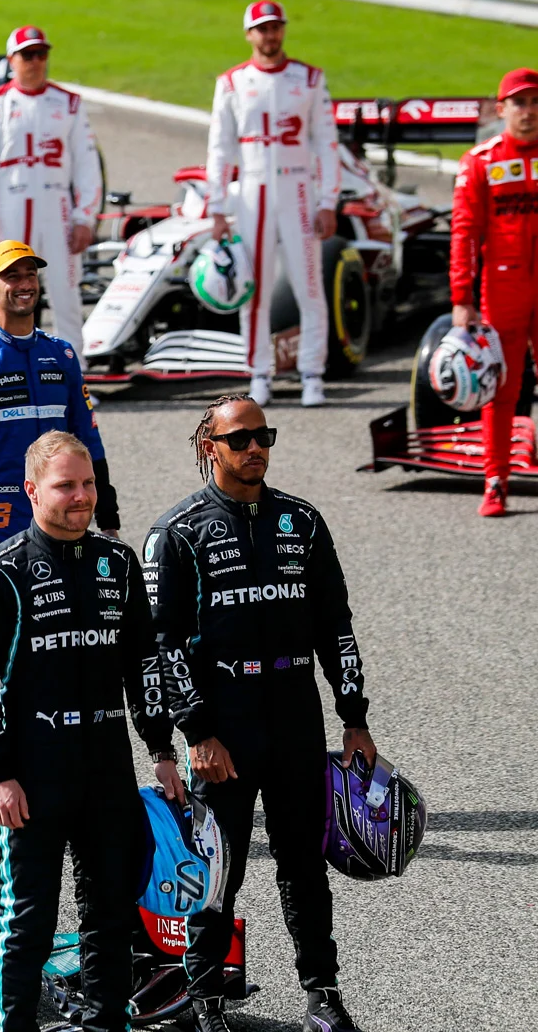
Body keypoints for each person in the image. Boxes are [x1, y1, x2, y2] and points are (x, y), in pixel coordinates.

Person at [144, 395, 376, 1032]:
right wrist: (196, 732)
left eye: (264, 436)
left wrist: (354, 717)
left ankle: (322, 993)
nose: (255, 449)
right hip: (225, 719)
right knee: (221, 869)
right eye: (240, 439)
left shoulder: (302, 522)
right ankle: (205, 999)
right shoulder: (177, 533)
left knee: (305, 863)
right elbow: (162, 645)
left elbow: (336, 625)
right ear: (209, 447)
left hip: (296, 709)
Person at [0, 431, 175, 1032]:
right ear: (31, 491)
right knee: (28, 922)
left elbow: (143, 664)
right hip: (34, 772)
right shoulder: (0, 571)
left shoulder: (118, 562)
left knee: (111, 915)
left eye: (88, 485)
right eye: (66, 486)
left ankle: (107, 1026)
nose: (82, 497)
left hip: (107, 768)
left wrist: (160, 748)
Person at [0, 240, 119, 554]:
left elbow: (89, 441)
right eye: (13, 276)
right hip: (0, 522)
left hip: (64, 515)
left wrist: (108, 521)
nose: (25, 284)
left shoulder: (61, 355)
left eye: (30, 275)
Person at [206, 0, 340, 409]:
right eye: (262, 29)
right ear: (249, 34)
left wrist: (329, 200)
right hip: (252, 192)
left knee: (309, 285)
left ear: (283, 30)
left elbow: (327, 143)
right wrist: (216, 205)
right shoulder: (231, 82)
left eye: (275, 27)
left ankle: (312, 375)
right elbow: (219, 147)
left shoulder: (310, 78)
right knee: (253, 287)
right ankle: (259, 372)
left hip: (299, 191)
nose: (270, 35)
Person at [0, 25, 103, 349]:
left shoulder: (69, 103)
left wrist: (85, 217)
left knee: (66, 293)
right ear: (12, 59)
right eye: (27, 54)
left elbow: (86, 164)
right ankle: (10, 370)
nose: (35, 61)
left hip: (58, 208)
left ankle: (74, 375)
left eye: (41, 54)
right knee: (10, 293)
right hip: (10, 208)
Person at [449, 67, 538, 517]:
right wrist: (462, 298)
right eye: (519, 103)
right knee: (500, 387)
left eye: (535, 102)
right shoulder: (480, 161)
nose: (529, 111)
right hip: (502, 287)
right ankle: (496, 481)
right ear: (501, 109)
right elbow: (464, 232)